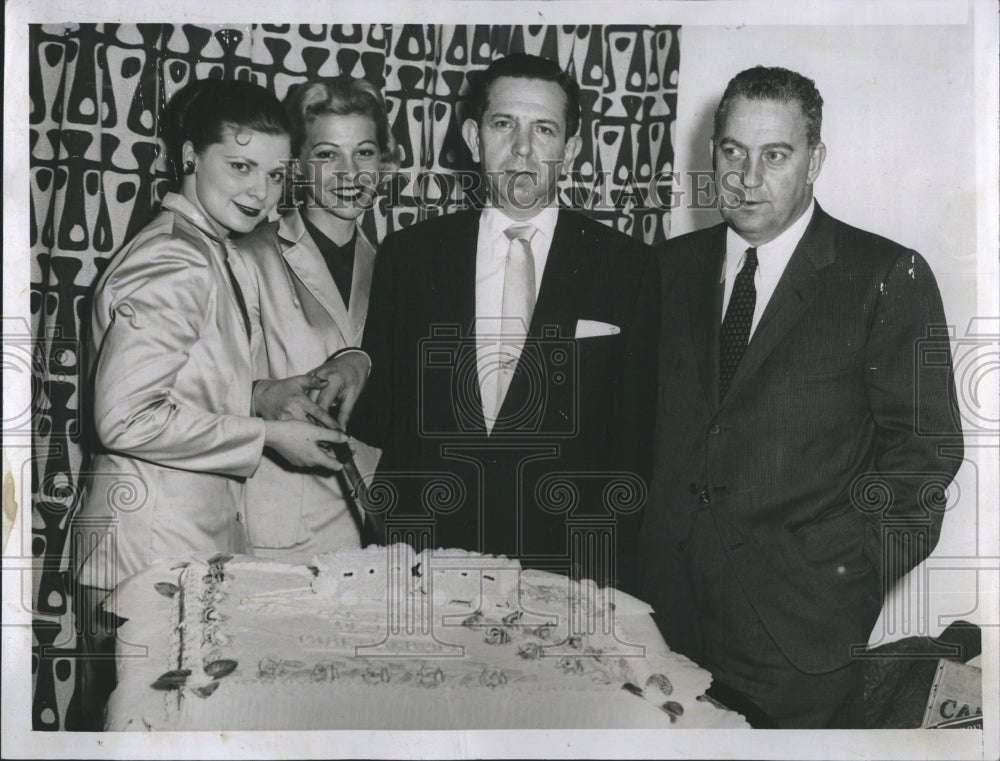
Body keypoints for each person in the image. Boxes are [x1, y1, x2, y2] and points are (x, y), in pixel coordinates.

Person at [635, 66, 964, 728]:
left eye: (775, 155)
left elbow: (924, 460)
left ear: (814, 160)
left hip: (797, 637)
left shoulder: (883, 275)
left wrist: (843, 581)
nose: (746, 177)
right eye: (732, 151)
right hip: (660, 618)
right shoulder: (666, 269)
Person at [69, 78, 347, 728]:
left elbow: (182, 387)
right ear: (190, 156)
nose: (261, 192)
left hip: (165, 553)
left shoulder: (203, 247)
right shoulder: (177, 260)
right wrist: (266, 436)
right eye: (242, 166)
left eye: (277, 176)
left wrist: (267, 396)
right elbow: (123, 417)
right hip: (145, 555)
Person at [319, 53, 659, 586]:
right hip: (423, 560)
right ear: (475, 139)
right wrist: (350, 363)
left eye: (544, 129)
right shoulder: (409, 255)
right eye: (504, 125)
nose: (522, 149)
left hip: (566, 566)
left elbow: (636, 444)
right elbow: (377, 413)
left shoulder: (631, 266)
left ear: (570, 149)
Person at [236, 76, 399, 558]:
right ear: (298, 163)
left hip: (372, 529)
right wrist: (260, 396)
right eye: (328, 154)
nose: (350, 172)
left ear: (383, 161)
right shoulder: (248, 256)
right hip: (278, 533)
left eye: (364, 153)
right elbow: (197, 393)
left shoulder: (397, 267)